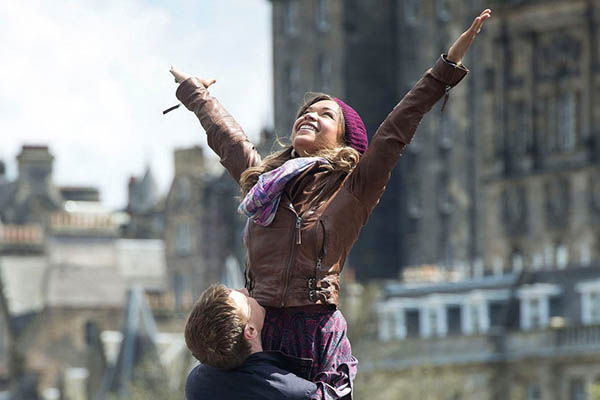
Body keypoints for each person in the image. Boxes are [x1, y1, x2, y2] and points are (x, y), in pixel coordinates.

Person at [170, 9, 491, 399]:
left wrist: (446, 67)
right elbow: (229, 141)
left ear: (342, 139)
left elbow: (398, 126)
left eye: (326, 115)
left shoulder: (352, 189)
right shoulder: (264, 184)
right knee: (199, 384)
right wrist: (197, 95)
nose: (310, 114)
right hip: (259, 334)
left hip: (309, 336)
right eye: (308, 110)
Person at [184, 284, 317, 400]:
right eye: (246, 301)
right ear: (250, 331)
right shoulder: (298, 393)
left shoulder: (197, 386)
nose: (246, 291)